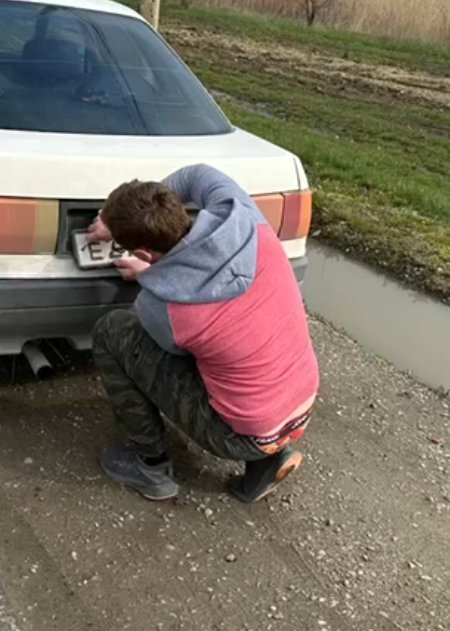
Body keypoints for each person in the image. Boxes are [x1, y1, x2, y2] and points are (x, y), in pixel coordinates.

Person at [87, 164, 319, 503]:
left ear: (141, 254)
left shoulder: (162, 309)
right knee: (234, 350)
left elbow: (172, 355)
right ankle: (267, 463)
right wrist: (126, 217)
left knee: (113, 332)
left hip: (242, 434)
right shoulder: (243, 215)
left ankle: (149, 465)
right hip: (301, 403)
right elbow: (195, 174)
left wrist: (150, 275)